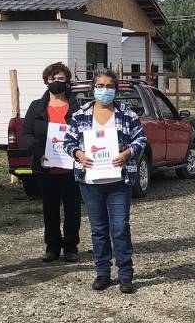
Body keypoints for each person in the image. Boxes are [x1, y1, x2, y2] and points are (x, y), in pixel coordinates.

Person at [63, 69, 147, 294]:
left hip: (119, 180)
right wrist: (78, 154)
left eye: (110, 86)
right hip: (90, 181)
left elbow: (141, 139)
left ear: (116, 89)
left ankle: (125, 274)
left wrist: (128, 152)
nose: (105, 90)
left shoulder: (128, 115)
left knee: (120, 228)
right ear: (93, 88)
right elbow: (68, 141)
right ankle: (102, 273)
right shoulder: (80, 114)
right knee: (98, 229)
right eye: (100, 86)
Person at [21, 62, 81, 263]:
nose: (56, 82)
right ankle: (52, 246)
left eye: (61, 79)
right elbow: (26, 133)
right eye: (53, 79)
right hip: (45, 166)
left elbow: (84, 133)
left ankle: (71, 247)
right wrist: (39, 153)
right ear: (46, 81)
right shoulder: (36, 107)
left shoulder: (76, 106)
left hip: (71, 167)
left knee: (73, 209)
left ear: (67, 82)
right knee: (50, 208)